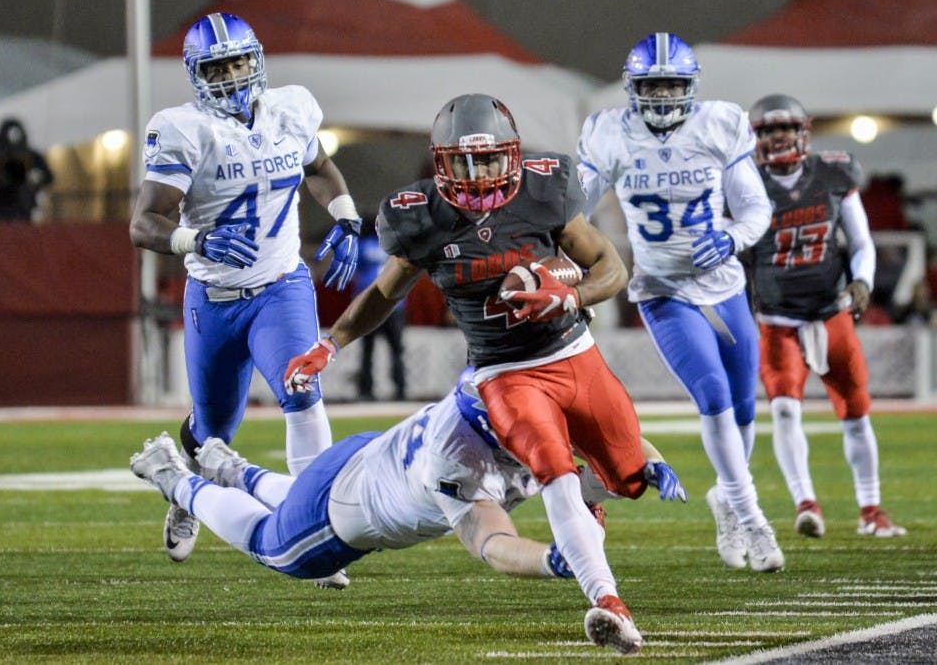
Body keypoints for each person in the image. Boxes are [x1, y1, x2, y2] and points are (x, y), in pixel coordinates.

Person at [284, 92, 663, 646]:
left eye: (488, 159)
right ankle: (607, 599)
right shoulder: (421, 217)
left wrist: (571, 295)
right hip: (499, 369)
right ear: (441, 163)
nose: (478, 173)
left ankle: (592, 501)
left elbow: (611, 267)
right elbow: (385, 293)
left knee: (627, 479)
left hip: (569, 350)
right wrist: (332, 343)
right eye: (462, 162)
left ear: (511, 154)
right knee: (553, 468)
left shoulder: (545, 188)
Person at [131, 368, 687, 654]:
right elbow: (490, 543)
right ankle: (173, 477)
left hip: (364, 461)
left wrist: (647, 466)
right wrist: (552, 560)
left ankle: (232, 469)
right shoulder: (459, 457)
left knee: (292, 505)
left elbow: (612, 444)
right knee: (275, 548)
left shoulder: (510, 407)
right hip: (345, 511)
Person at [128, 12, 363, 563]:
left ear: (255, 60)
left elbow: (320, 168)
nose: (231, 76)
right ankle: (187, 485)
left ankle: (316, 529)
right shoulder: (184, 129)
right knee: (213, 428)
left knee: (301, 386)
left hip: (281, 287)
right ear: (196, 74)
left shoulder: (290, 109)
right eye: (217, 68)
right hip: (214, 299)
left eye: (238, 63)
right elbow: (144, 224)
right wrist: (196, 240)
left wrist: (346, 215)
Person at [576, 33, 783, 572]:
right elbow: (574, 210)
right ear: (633, 88)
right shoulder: (610, 133)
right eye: (653, 86)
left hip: (725, 285)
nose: (664, 95)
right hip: (663, 289)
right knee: (713, 394)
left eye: (672, 84)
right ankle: (752, 517)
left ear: (690, 86)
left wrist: (732, 238)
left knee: (743, 407)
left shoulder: (719, 123)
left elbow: (756, 209)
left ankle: (727, 498)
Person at [746, 93, 906, 538]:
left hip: (830, 311)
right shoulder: (744, 182)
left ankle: (871, 510)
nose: (777, 137)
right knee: (783, 411)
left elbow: (861, 241)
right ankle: (806, 504)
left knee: (855, 412)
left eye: (785, 127)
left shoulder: (833, 173)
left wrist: (863, 281)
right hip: (777, 319)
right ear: (755, 136)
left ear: (804, 130)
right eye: (767, 130)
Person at [353, 219, 406, 401]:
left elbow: (355, 269)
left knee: (369, 350)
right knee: (395, 350)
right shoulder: (395, 245)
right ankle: (400, 390)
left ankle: (366, 391)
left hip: (371, 304)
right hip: (392, 304)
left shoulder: (363, 246)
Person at [0, 118, 54, 222]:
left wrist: (36, 180)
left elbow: (48, 177)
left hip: (24, 204)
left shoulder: (32, 156)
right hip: (2, 204)